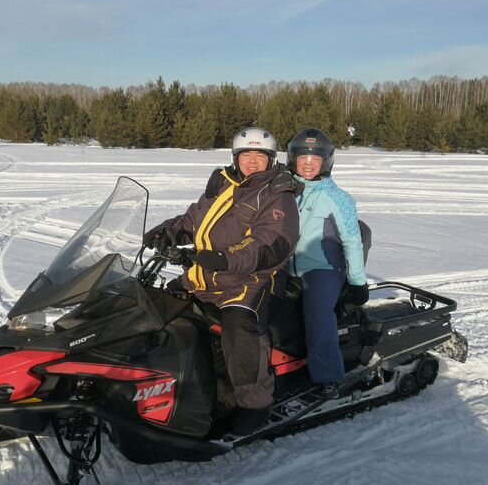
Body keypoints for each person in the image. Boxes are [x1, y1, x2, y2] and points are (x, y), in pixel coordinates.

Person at [144, 127, 301, 435]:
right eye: (246, 155)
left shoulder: (278, 196)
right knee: (158, 304)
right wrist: (169, 231)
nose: (252, 162)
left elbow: (271, 243)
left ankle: (253, 404)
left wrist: (226, 257)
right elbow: (194, 219)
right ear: (235, 158)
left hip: (251, 281)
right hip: (206, 276)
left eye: (260, 156)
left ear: (271, 159)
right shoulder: (224, 185)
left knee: (239, 326)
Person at [286, 128, 369, 398]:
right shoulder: (284, 191)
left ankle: (328, 376)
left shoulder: (339, 199)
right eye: (302, 158)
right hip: (284, 266)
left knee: (318, 312)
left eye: (315, 158)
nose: (308, 163)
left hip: (322, 268)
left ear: (326, 161)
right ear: (292, 159)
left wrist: (357, 281)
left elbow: (353, 242)